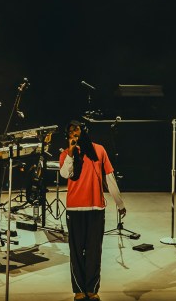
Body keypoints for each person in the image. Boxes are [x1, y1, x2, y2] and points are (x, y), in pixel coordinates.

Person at [59, 119, 125, 301]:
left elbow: (109, 178)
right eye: (71, 131)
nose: (74, 133)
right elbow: (66, 174)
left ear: (84, 131)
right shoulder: (66, 154)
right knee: (76, 251)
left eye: (77, 130)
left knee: (94, 251)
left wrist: (119, 203)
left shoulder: (99, 150)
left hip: (96, 207)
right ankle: (79, 290)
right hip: (75, 209)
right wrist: (71, 152)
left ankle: (92, 289)